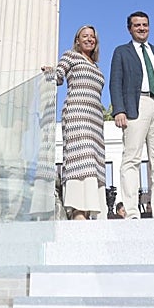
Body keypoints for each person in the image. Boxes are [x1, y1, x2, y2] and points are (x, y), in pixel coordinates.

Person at [109, 11, 154, 219]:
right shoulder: (122, 52)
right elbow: (115, 82)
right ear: (129, 28)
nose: (141, 28)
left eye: (145, 25)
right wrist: (119, 110)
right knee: (131, 158)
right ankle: (131, 211)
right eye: (137, 25)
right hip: (136, 104)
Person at [45, 25, 107, 220]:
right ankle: (78, 211)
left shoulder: (96, 66)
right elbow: (58, 76)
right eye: (85, 36)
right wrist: (49, 72)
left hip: (96, 119)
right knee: (81, 159)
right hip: (76, 113)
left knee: (94, 161)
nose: (89, 39)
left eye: (92, 37)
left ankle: (89, 210)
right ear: (77, 40)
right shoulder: (70, 56)